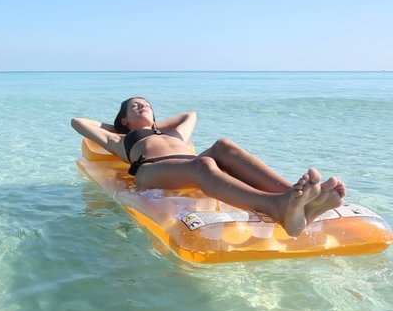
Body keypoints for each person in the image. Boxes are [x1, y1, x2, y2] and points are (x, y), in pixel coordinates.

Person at [71, 97, 346, 237]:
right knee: (204, 163)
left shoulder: (174, 134)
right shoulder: (120, 139)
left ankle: (300, 200)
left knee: (223, 146)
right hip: (151, 170)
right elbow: (79, 122)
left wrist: (155, 125)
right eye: (134, 106)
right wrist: (124, 128)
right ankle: (276, 205)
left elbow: (191, 115)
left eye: (146, 104)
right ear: (124, 120)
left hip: (183, 163)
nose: (142, 106)